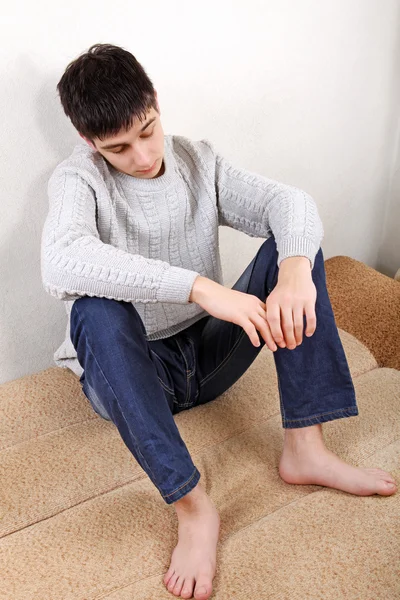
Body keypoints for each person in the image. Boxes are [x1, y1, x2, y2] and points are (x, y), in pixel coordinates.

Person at [41, 43, 397, 600]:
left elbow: (291, 202)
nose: (141, 155)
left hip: (208, 357)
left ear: (155, 101)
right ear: (89, 142)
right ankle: (193, 506)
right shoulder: (77, 181)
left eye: (147, 130)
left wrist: (297, 267)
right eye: (118, 148)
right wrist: (201, 289)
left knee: (296, 244)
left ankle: (306, 448)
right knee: (94, 308)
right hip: (137, 375)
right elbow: (61, 261)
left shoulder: (196, 160)